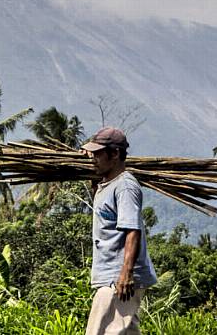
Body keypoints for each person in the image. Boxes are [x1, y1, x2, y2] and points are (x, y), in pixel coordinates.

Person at [82, 127, 157, 335]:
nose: (93, 159)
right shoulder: (106, 184)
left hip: (118, 278)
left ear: (114, 154)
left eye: (98, 154)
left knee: (100, 332)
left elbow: (132, 230)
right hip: (111, 276)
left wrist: (126, 274)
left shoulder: (125, 187)